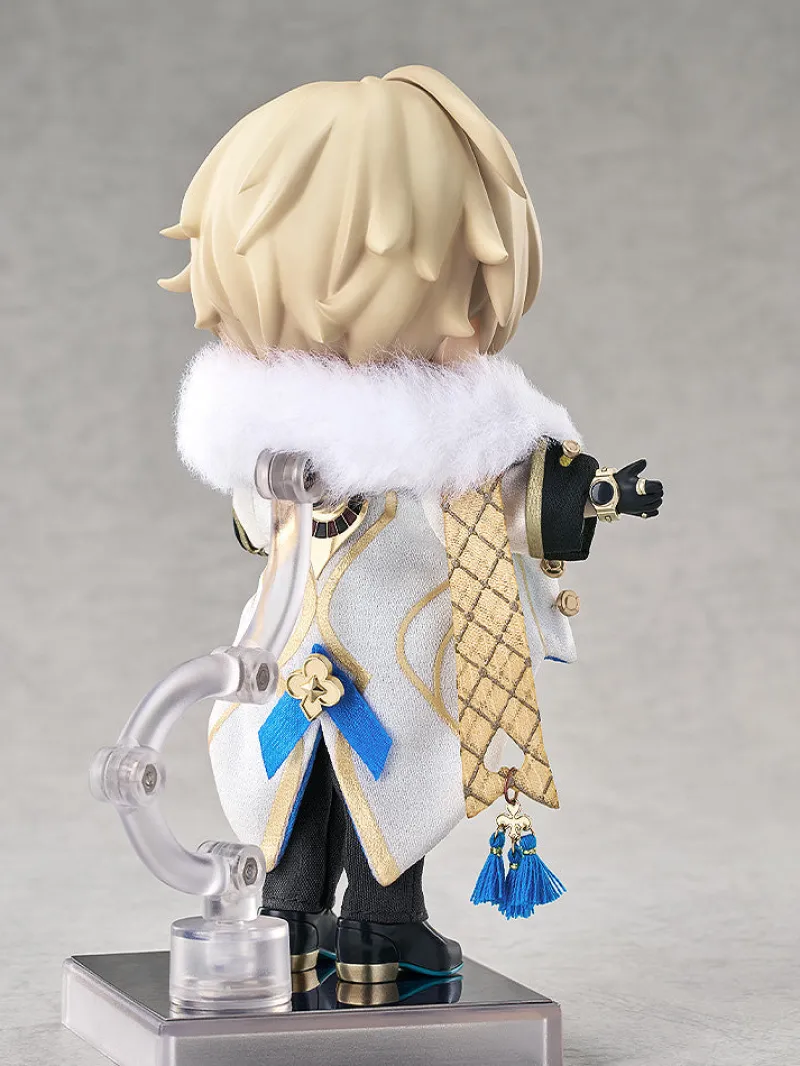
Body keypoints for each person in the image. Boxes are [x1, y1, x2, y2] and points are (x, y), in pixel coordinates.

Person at [161, 65, 664, 984]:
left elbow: (522, 505)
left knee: (377, 781)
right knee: (305, 783)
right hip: (323, 652)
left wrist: (587, 495)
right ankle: (310, 921)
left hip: (379, 651)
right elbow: (261, 526)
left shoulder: (449, 442)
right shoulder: (307, 442)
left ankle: (361, 927)